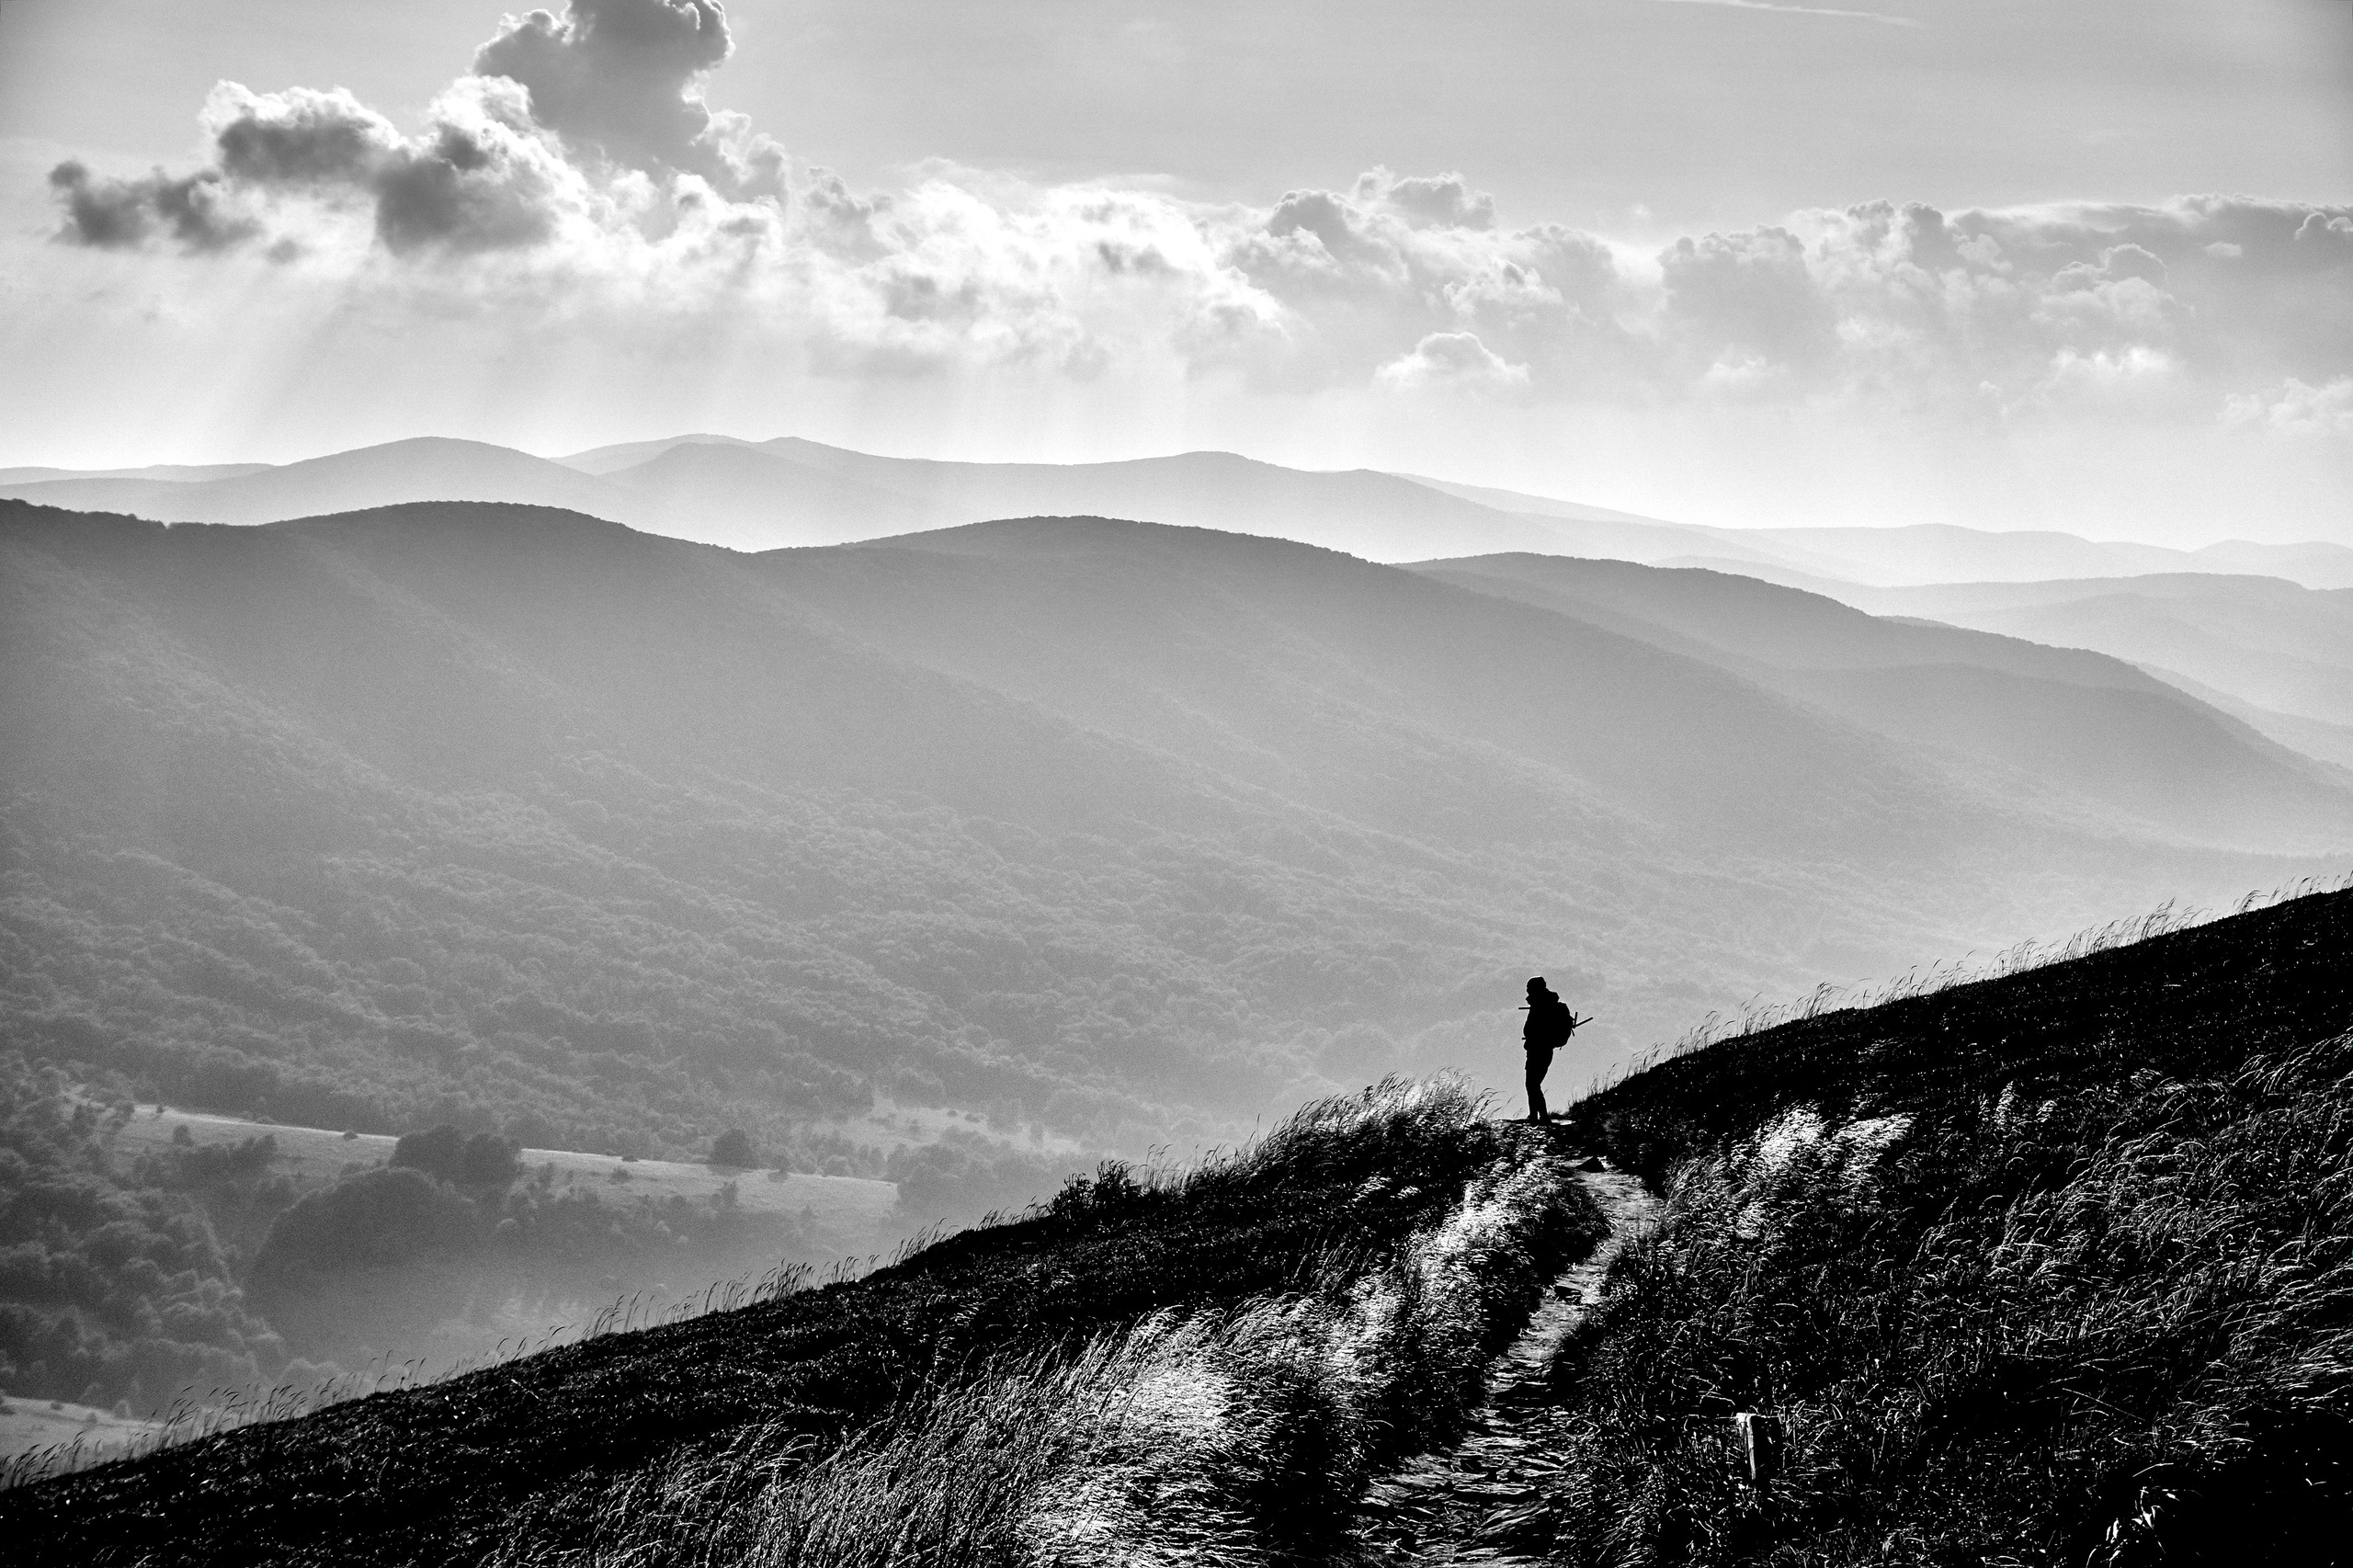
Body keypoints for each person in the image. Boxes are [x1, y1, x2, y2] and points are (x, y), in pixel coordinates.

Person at [1520, 976, 1579, 1122]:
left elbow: (1529, 1030)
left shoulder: (1538, 1006)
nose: (1527, 991)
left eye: (1529, 988)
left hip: (1537, 1049)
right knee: (1534, 1084)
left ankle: (1539, 1116)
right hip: (1546, 1049)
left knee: (1531, 1084)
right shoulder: (1550, 1004)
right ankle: (1537, 1115)